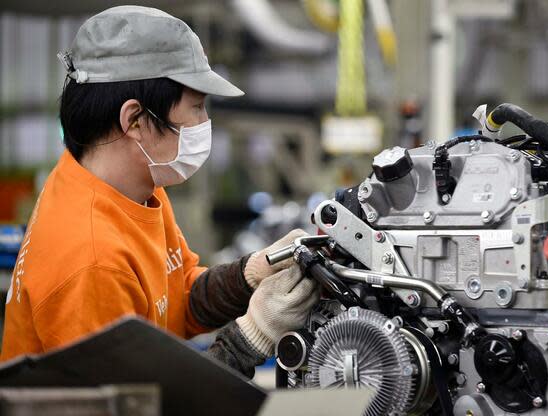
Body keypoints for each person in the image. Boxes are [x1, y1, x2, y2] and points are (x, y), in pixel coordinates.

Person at [0, 6, 318, 378]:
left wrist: (252, 273)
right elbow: (144, 404)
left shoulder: (132, 187)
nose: (204, 124)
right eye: (197, 108)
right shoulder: (91, 260)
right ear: (134, 120)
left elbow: (179, 296)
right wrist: (253, 337)